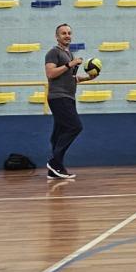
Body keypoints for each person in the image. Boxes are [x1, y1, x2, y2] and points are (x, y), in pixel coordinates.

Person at [44, 23, 92, 182]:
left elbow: (70, 78)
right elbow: (50, 73)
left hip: (69, 97)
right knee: (75, 126)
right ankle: (54, 162)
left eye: (69, 33)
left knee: (57, 135)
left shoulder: (70, 54)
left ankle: (55, 169)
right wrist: (69, 65)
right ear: (57, 37)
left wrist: (87, 78)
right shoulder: (53, 52)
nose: (67, 35)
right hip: (58, 97)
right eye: (63, 33)